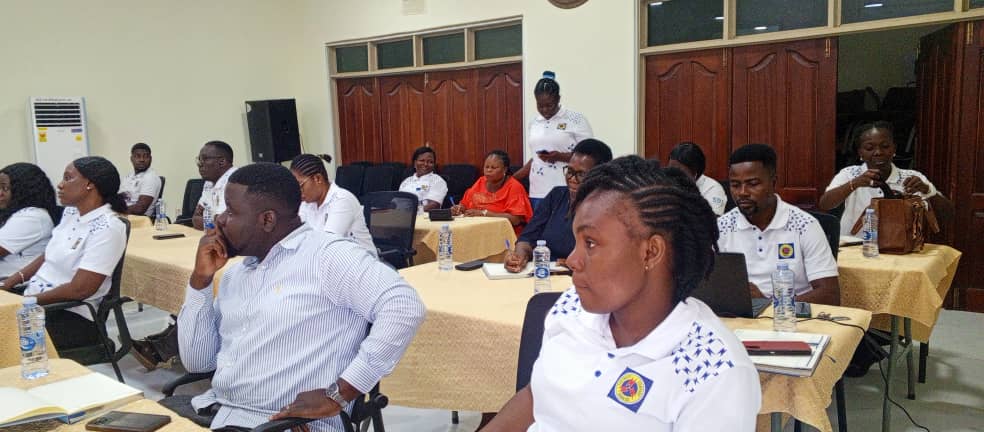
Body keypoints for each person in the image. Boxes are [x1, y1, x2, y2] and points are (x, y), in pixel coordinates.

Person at [484, 156, 760, 431]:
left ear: (650, 252)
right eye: (576, 241)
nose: (573, 260)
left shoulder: (712, 369)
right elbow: (537, 396)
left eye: (590, 243)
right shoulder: (572, 305)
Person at [159, 163, 425, 431]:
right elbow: (198, 362)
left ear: (267, 220)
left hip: (285, 423)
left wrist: (340, 393)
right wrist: (200, 280)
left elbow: (403, 306)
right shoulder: (235, 273)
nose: (220, 220)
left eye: (231, 211)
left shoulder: (326, 256)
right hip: (218, 411)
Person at [0, 157, 127, 356]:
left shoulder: (108, 228)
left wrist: (26, 302)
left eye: (68, 178)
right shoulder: (71, 213)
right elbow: (48, 255)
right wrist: (8, 284)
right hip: (38, 302)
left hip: (70, 315)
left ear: (90, 184)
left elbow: (80, 289)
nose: (60, 185)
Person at [718, 144, 840, 305]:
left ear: (773, 182)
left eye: (753, 184)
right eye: (735, 185)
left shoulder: (804, 225)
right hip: (736, 315)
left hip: (792, 317)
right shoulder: (721, 227)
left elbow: (829, 295)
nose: (742, 192)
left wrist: (768, 304)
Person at [818, 121, 954, 236]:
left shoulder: (912, 177)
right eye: (869, 148)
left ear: (894, 149)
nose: (878, 152)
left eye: (885, 146)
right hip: (855, 247)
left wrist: (927, 190)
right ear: (860, 152)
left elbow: (949, 215)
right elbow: (825, 205)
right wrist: (854, 184)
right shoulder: (850, 174)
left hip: (900, 248)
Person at [504, 139, 612, 273]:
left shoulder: (609, 207)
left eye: (581, 174)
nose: (572, 179)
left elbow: (610, 258)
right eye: (570, 171)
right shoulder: (556, 196)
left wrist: (576, 264)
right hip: (546, 273)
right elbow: (527, 237)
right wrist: (519, 256)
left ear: (600, 176)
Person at [513, 71, 593, 208]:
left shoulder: (575, 119)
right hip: (537, 190)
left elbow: (589, 155)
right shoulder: (534, 123)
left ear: (558, 99)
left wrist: (559, 156)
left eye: (549, 105)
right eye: (540, 105)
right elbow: (535, 158)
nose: (545, 110)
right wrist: (512, 179)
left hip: (565, 187)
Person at [290, 154, 377, 256]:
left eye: (300, 186)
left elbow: (327, 245)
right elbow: (296, 237)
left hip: (361, 261)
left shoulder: (342, 200)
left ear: (318, 178)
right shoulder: (306, 204)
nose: (298, 192)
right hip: (331, 261)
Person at [451, 150, 533, 236]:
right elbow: (465, 204)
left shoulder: (514, 187)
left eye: (494, 168)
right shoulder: (481, 181)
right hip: (475, 229)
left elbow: (515, 220)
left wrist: (484, 213)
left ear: (505, 169)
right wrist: (459, 209)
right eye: (486, 167)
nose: (489, 170)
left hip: (503, 233)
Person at [0, 163, 59, 278]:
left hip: (15, 284)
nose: (0, 193)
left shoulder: (33, 216)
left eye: (5, 188)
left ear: (24, 189)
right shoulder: (9, 213)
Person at [666, 142, 728, 216]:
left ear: (695, 173)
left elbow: (712, 219)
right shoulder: (665, 184)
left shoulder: (713, 188)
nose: (674, 175)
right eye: (671, 170)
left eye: (679, 172)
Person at [192, 140, 237, 230]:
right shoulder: (209, 182)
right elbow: (195, 218)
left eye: (205, 159)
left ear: (222, 162)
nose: (200, 164)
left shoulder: (235, 181)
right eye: (199, 159)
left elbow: (223, 225)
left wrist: (207, 221)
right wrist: (213, 221)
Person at [399, 146, 448, 212]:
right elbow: (398, 203)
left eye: (430, 162)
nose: (425, 164)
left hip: (423, 216)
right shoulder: (406, 181)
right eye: (422, 160)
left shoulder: (438, 181)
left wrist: (412, 211)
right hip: (402, 215)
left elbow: (434, 206)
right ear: (415, 163)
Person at [119, 143, 162, 216]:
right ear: (131, 159)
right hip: (122, 216)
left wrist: (116, 210)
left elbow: (139, 209)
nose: (142, 160)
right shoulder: (128, 177)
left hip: (138, 219)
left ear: (150, 159)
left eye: (145, 156)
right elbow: (118, 198)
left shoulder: (151, 178)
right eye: (138, 156)